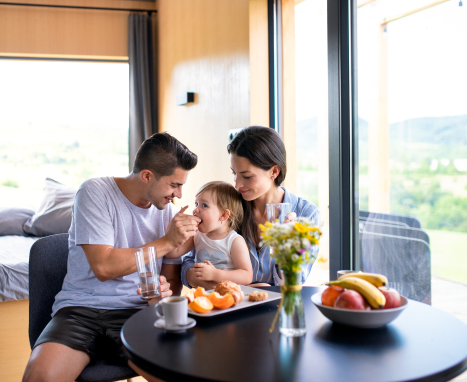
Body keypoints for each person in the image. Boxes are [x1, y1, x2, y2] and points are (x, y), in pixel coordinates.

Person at [23, 132, 200, 382]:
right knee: (39, 378)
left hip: (137, 314)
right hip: (81, 309)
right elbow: (103, 267)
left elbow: (170, 285)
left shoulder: (167, 214)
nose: (179, 194)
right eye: (174, 185)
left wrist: (163, 291)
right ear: (147, 175)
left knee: (185, 374)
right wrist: (166, 242)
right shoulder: (95, 192)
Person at [182, 126, 320, 290]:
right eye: (234, 173)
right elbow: (190, 258)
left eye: (247, 176)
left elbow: (294, 283)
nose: (237, 184)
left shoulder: (306, 215)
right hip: (231, 306)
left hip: (277, 308)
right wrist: (193, 276)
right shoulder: (229, 208)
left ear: (274, 171)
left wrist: (288, 252)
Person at [165, 181, 252, 286]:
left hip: (230, 295)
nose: (196, 209)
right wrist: (172, 228)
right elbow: (172, 254)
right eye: (196, 204)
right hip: (205, 298)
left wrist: (216, 275)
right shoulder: (196, 235)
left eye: (204, 205)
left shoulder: (234, 241)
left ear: (223, 215)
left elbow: (247, 276)